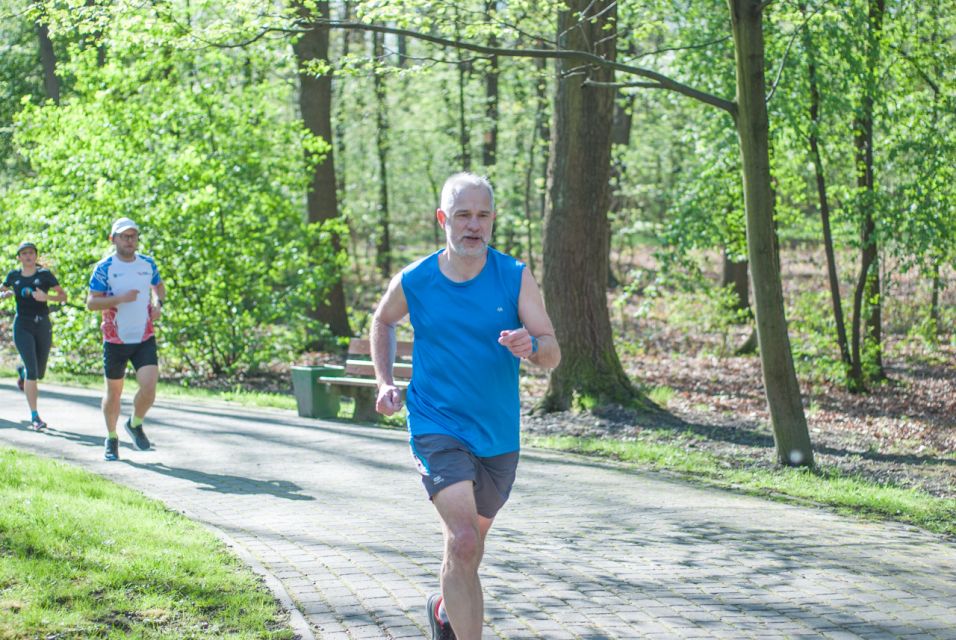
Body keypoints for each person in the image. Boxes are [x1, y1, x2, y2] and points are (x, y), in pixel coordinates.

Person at [371, 172, 560, 640]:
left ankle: (442, 609)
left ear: (493, 219)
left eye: (482, 215)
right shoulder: (416, 280)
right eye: (463, 215)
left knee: (469, 553)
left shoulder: (514, 276)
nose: (473, 226)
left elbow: (552, 354)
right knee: (463, 539)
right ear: (443, 220)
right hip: (436, 424)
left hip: (497, 435)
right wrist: (385, 380)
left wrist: (530, 346)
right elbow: (383, 321)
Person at [86, 217, 166, 461]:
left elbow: (158, 286)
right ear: (113, 239)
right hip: (115, 340)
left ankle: (135, 423)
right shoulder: (104, 267)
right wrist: (119, 299)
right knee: (114, 393)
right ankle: (111, 438)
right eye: (124, 236)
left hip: (144, 335)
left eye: (133, 236)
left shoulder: (147, 263)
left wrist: (158, 303)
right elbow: (91, 303)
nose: (130, 240)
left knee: (149, 387)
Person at [1, 241, 67, 430]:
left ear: (36, 256)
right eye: (24, 253)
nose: (28, 256)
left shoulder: (44, 275)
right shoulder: (13, 276)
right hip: (22, 325)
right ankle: (35, 416)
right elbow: (2, 290)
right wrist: (3, 295)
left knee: (39, 372)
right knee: (33, 372)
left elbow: (63, 297)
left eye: (31, 253)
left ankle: (22, 372)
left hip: (42, 324)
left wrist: (48, 298)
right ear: (19, 257)